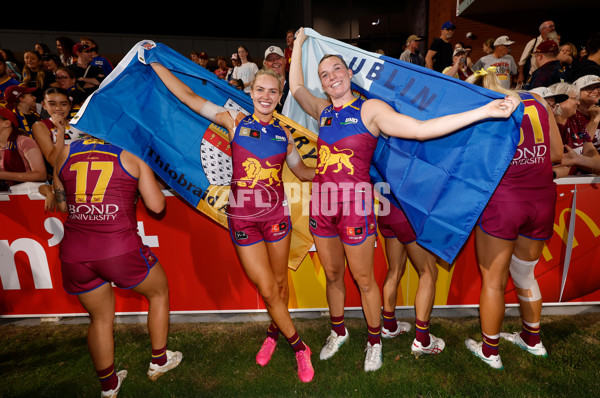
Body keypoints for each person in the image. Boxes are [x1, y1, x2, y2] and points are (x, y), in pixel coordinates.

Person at [289, 27, 518, 372]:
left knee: (364, 280)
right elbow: (294, 88)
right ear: (322, 83)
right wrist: (301, 43)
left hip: (355, 207)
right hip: (322, 207)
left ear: (349, 73)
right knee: (334, 276)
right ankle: (338, 331)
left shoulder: (370, 110)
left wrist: (484, 112)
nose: (332, 76)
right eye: (325, 74)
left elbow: (421, 129)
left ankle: (374, 340)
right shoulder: (322, 111)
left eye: (337, 69)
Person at [149, 62, 316, 382]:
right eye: (260, 90)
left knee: (279, 286)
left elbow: (303, 173)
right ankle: (300, 347)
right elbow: (187, 96)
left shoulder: (285, 136)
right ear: (251, 93)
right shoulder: (234, 119)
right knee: (267, 288)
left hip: (276, 217)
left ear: (280, 97)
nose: (266, 96)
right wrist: (157, 64)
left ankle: (273, 333)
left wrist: (331, 168)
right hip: (242, 218)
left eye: (272, 91)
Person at [50, 134, 182, 397]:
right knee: (158, 292)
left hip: (76, 252)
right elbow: (157, 206)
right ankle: (159, 360)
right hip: (118, 248)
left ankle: (109, 387)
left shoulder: (64, 152)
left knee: (99, 319)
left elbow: (63, 204)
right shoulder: (130, 152)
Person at [463, 67, 563, 370]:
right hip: (542, 199)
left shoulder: (483, 109)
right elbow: (556, 153)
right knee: (525, 274)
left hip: (504, 201)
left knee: (493, 281)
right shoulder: (537, 100)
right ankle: (533, 340)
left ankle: (490, 350)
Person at [376, 196, 446, 357]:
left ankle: (389, 327)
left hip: (387, 210)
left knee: (395, 269)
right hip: (409, 211)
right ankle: (423, 341)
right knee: (428, 272)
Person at [548, 81, 600, 176]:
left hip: (578, 183)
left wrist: (578, 160)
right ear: (560, 99)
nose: (578, 102)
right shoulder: (547, 125)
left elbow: (597, 161)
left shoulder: (576, 121)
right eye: (574, 98)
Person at [32, 87, 85, 180]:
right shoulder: (40, 126)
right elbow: (54, 161)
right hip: (63, 179)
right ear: (44, 105)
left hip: (87, 173)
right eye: (52, 104)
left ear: (70, 106)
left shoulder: (80, 125)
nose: (58, 108)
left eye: (63, 104)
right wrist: (60, 130)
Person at [0, 107, 46, 185]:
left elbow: (40, 175)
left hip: (28, 193)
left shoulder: (24, 141)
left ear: (7, 123)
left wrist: (2, 175)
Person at [566, 75, 600, 155]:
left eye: (598, 87)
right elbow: (579, 145)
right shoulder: (571, 116)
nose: (596, 91)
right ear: (577, 92)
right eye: (589, 88)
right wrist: (594, 120)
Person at [516, 21, 558, 85]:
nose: (553, 28)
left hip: (551, 75)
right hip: (534, 75)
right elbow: (522, 60)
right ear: (542, 30)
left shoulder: (554, 43)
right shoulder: (533, 42)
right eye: (550, 26)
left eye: (553, 26)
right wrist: (520, 75)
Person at [263, 46, 288, 112]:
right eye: (270, 60)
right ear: (265, 64)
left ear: (285, 61)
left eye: (278, 58)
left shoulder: (295, 82)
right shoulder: (260, 88)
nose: (275, 61)